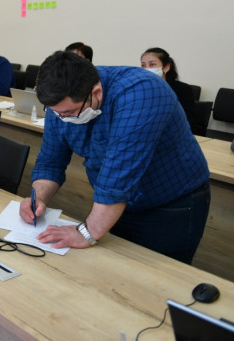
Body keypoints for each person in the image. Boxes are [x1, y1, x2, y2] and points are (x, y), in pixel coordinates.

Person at [19, 51, 210, 264]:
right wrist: (38, 198)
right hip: (118, 204)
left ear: (97, 93)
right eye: (56, 113)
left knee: (159, 275)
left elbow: (118, 177)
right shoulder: (61, 104)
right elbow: (50, 162)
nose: (62, 118)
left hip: (171, 202)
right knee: (117, 267)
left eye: (70, 113)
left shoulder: (141, 92)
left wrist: (85, 232)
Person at [140, 47, 199, 134]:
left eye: (152, 64)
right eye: (143, 65)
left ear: (166, 67)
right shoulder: (140, 89)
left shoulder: (182, 89)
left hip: (173, 134)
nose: (146, 69)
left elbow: (188, 121)